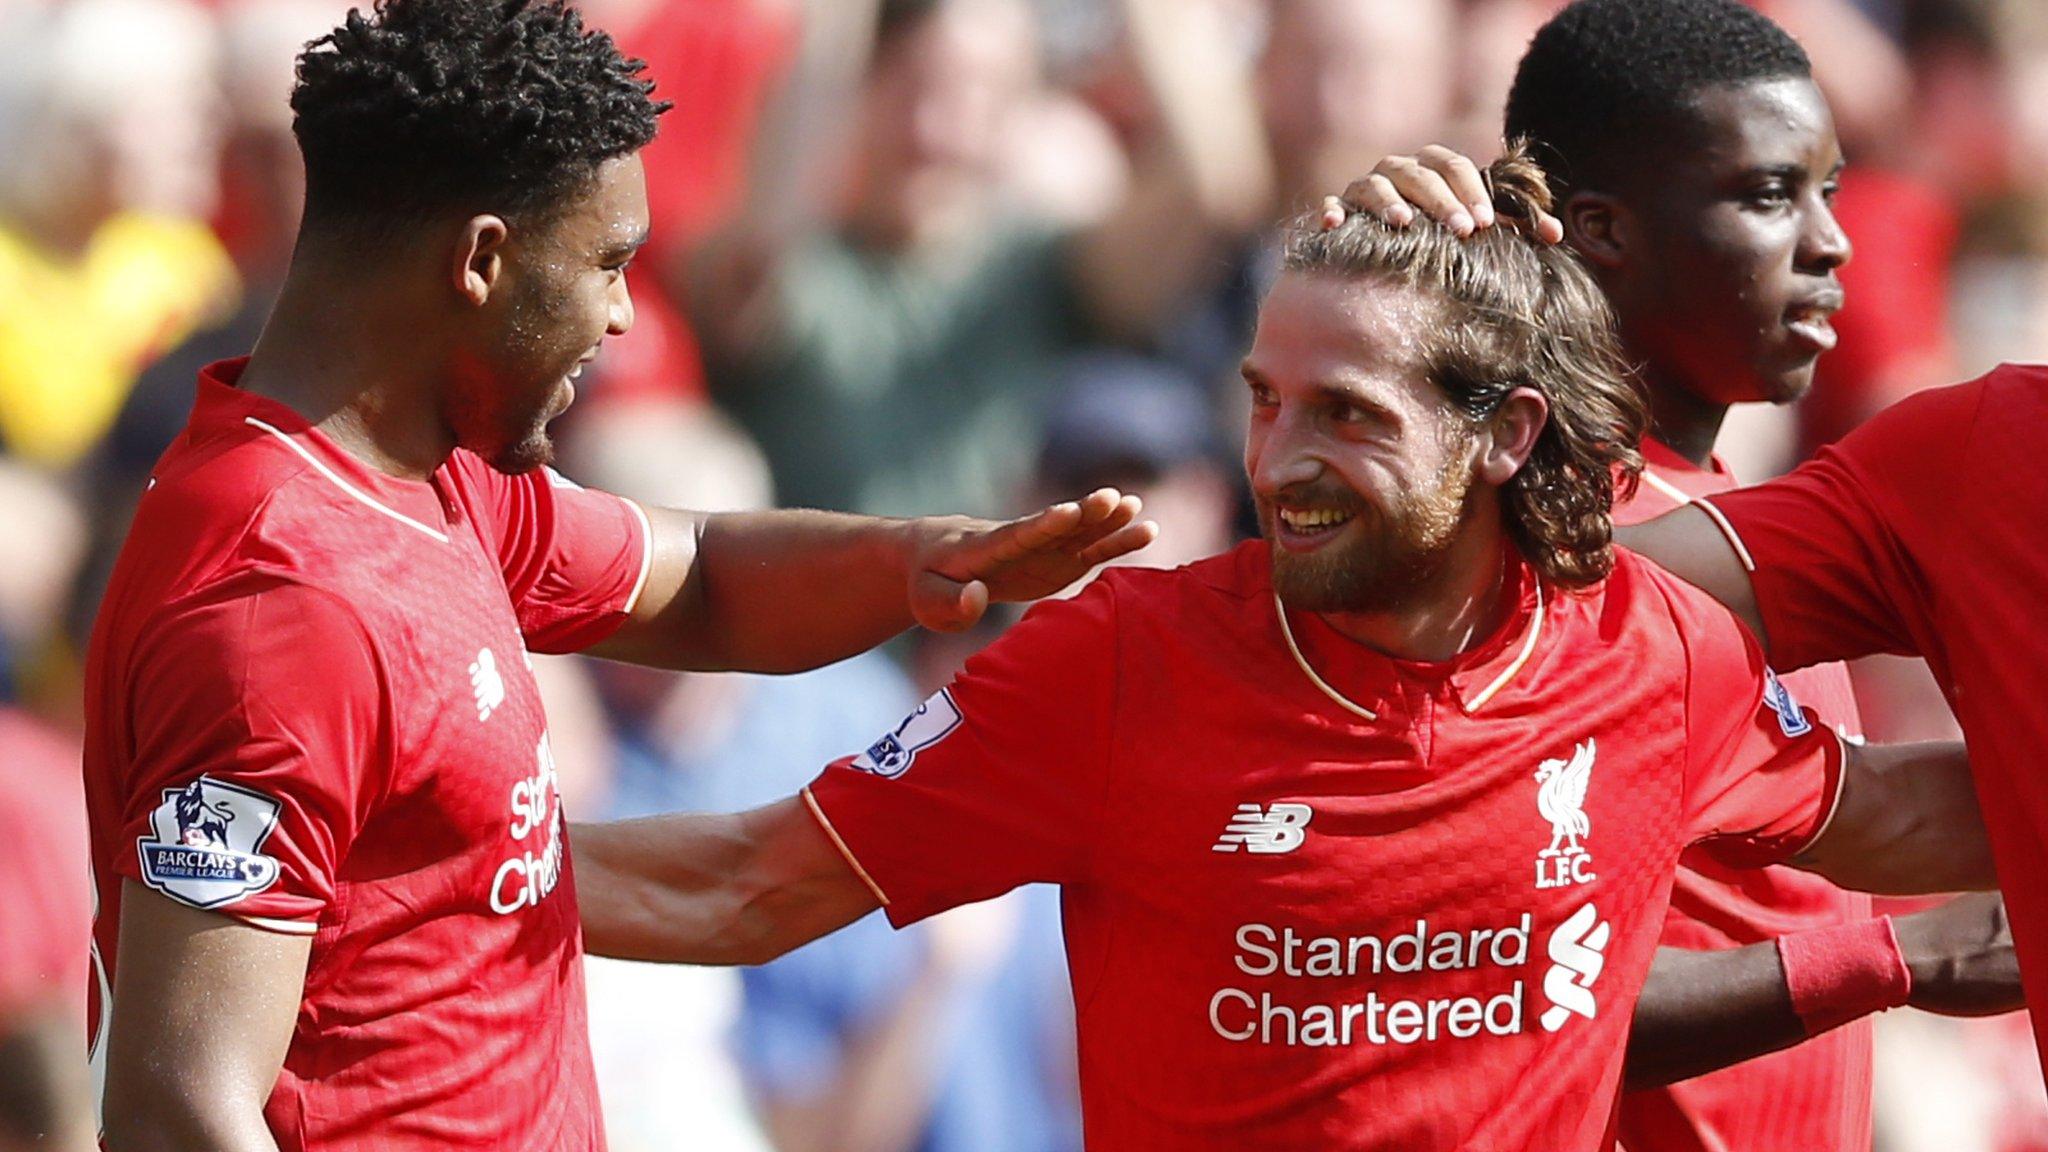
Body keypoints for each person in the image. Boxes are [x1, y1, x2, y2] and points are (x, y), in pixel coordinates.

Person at [568, 152, 1996, 1151]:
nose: (1279, 461)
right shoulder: (1116, 666)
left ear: (1504, 434)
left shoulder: (1650, 655)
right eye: (1263, 399)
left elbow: (1889, 812)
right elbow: (744, 885)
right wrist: (430, 877)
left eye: (1350, 415)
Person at [84, 3, 1154, 1150]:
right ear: (482, 260)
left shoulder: (429, 480)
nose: (623, 314)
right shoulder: (277, 606)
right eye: (604, 263)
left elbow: (700, 580)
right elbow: (179, 1107)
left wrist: (917, 562)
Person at [1324, 2, 2021, 1148]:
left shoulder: (1718, 522)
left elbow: (1883, 812)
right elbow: (1473, 995)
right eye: (1763, 196)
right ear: (1599, 230)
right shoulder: (1515, 543)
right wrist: (1889, 959)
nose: (1826, 242)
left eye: (1828, 192)